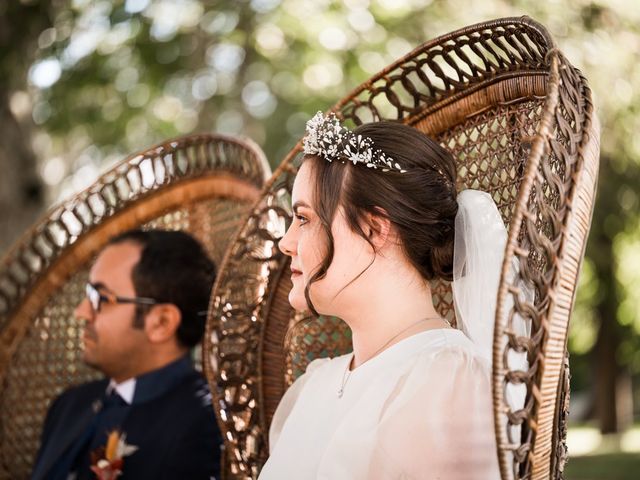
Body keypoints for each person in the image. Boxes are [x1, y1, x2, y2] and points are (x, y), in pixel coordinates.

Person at [258, 112, 506, 479]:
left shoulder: (449, 386)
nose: (286, 242)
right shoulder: (313, 386)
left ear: (375, 229)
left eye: (305, 219)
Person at [31, 229, 222, 480]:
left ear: (161, 322)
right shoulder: (69, 405)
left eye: (101, 298)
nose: (82, 312)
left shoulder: (204, 425)